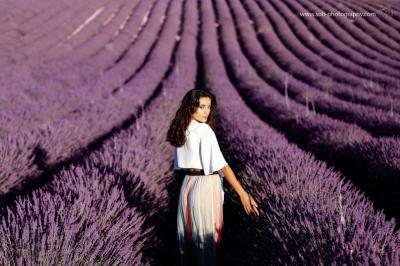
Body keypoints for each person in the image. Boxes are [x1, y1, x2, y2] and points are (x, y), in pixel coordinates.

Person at [166, 89, 259, 266]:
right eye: (201, 107)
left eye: (208, 107)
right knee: (205, 241)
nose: (206, 111)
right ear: (191, 107)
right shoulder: (204, 130)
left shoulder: (181, 128)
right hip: (205, 186)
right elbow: (222, 165)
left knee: (188, 240)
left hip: (188, 185)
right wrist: (242, 193)